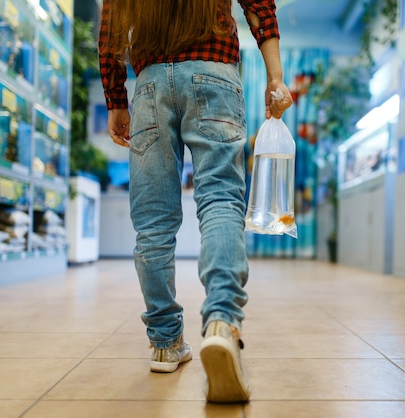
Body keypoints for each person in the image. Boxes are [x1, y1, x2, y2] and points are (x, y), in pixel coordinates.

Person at [98, 0, 292, 403]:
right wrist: (275, 77)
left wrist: (116, 99)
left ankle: (166, 343)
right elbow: (259, 6)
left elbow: (111, 29)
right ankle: (222, 323)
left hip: (150, 85)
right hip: (213, 73)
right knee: (220, 199)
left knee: (152, 221)